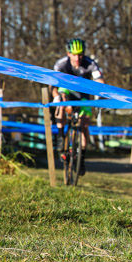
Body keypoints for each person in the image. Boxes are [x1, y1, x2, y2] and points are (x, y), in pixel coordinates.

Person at [52, 38, 105, 174]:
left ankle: (81, 157)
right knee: (61, 102)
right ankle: (60, 135)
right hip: (67, 91)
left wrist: (100, 95)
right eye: (74, 55)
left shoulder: (90, 64)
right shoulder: (61, 64)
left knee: (85, 124)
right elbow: (52, 85)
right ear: (68, 53)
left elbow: (100, 80)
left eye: (80, 54)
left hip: (83, 94)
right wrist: (56, 96)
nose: (77, 58)